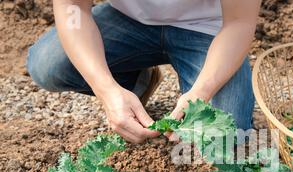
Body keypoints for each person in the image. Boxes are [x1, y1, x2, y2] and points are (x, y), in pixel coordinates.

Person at [27, 0, 261, 143]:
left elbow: (239, 22)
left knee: (224, 134)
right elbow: (73, 7)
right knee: (49, 64)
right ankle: (137, 80)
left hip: (210, 29)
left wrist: (201, 93)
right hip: (127, 20)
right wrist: (107, 90)